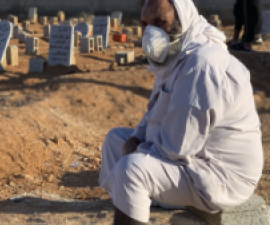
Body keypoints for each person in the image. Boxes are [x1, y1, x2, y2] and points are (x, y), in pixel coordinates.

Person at [99, 0, 264, 224]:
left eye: (160, 22)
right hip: (191, 156)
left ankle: (136, 202)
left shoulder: (202, 63)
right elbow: (153, 113)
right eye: (145, 24)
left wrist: (136, 152)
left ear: (182, 21)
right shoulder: (175, 56)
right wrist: (136, 138)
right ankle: (136, 203)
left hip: (219, 174)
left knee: (131, 169)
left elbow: (177, 147)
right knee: (115, 141)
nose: (151, 32)